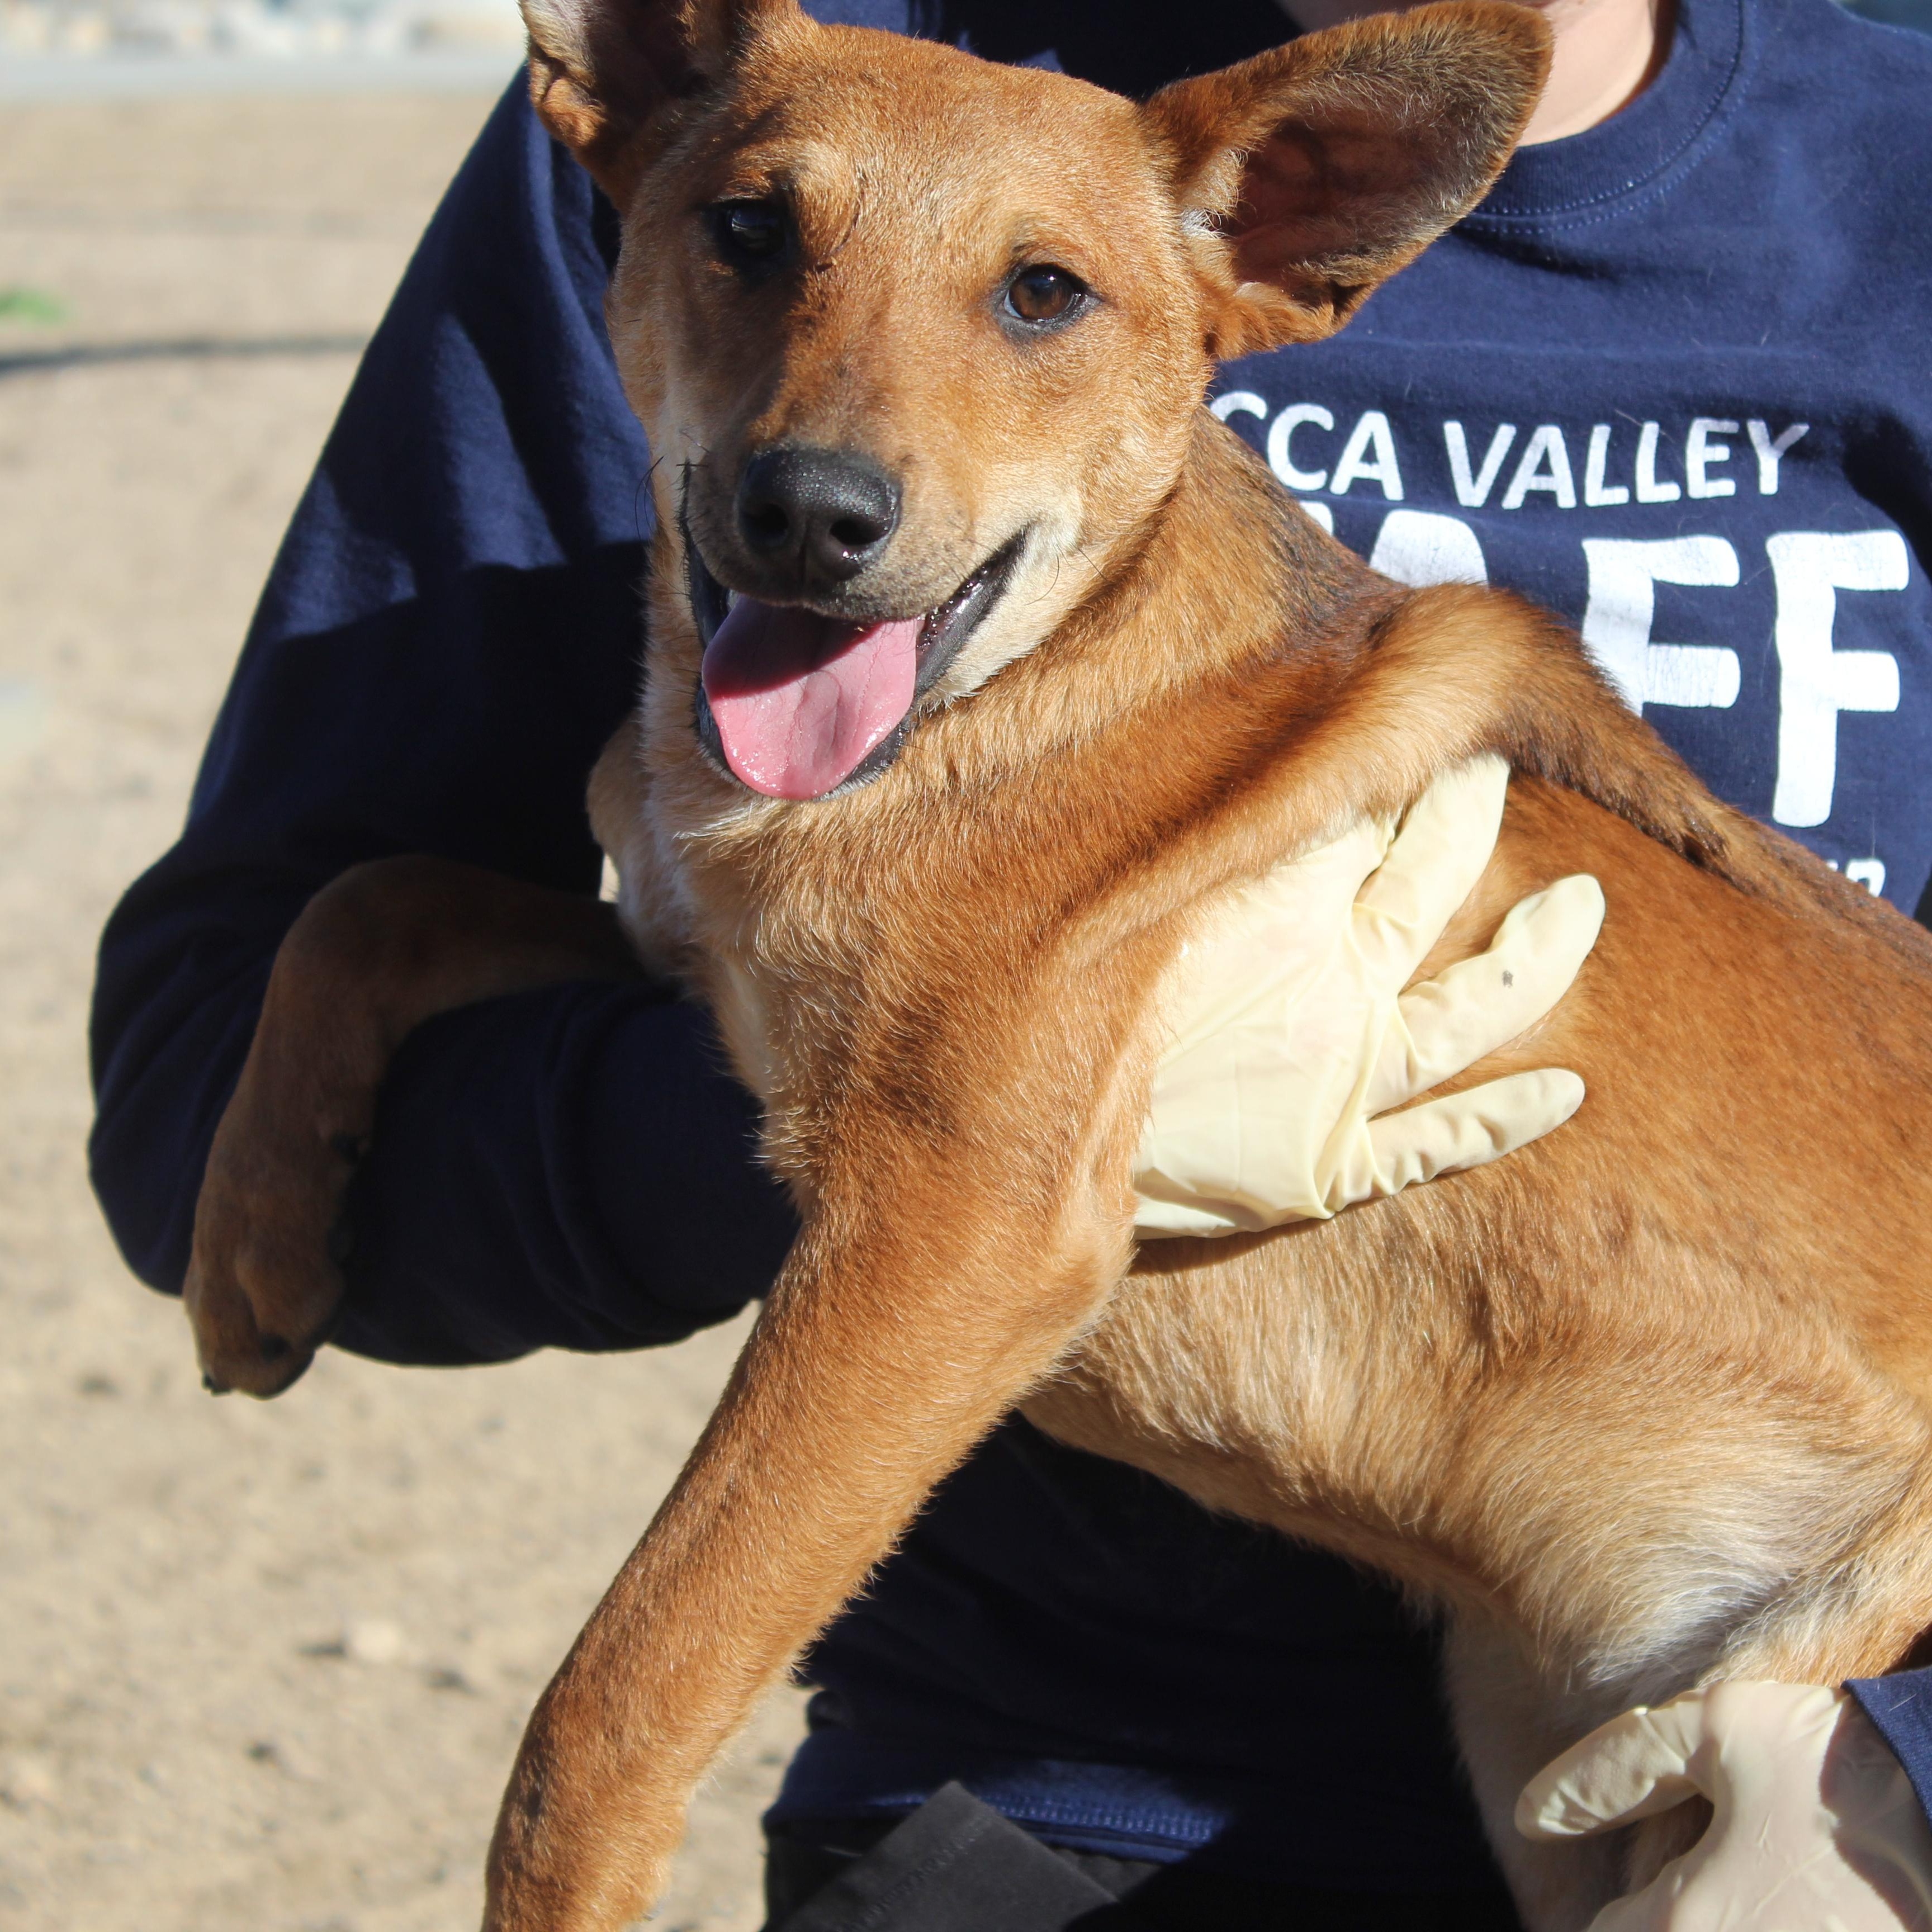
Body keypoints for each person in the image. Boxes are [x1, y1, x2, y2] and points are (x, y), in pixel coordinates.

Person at [86, 0, 1932, 1924]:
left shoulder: (1891, 164)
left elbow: (963, 1198)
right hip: (1062, 1790)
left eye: (1040, 298)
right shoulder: (786, 77)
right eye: (756, 249)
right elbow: (186, 1100)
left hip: (1842, 1640)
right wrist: (883, 1137)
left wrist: (1900, 1778)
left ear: (1295, 240)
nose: (830, 461)